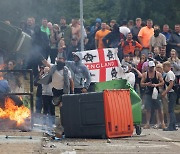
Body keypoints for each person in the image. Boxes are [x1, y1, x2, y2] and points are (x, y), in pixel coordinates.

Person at [141, 61, 165, 129]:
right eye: (150, 67)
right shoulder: (145, 74)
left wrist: (156, 85)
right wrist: (146, 84)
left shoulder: (158, 74)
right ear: (148, 67)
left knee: (159, 108)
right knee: (148, 108)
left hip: (156, 92)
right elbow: (141, 83)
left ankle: (162, 122)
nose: (151, 69)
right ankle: (147, 123)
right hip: (148, 92)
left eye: (152, 67)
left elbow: (162, 82)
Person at [162, 61, 178, 131]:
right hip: (171, 93)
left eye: (164, 67)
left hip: (172, 93)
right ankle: (173, 125)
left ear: (168, 67)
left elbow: (171, 84)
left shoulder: (169, 74)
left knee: (170, 110)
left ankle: (171, 126)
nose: (163, 68)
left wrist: (165, 92)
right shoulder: (169, 74)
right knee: (171, 110)